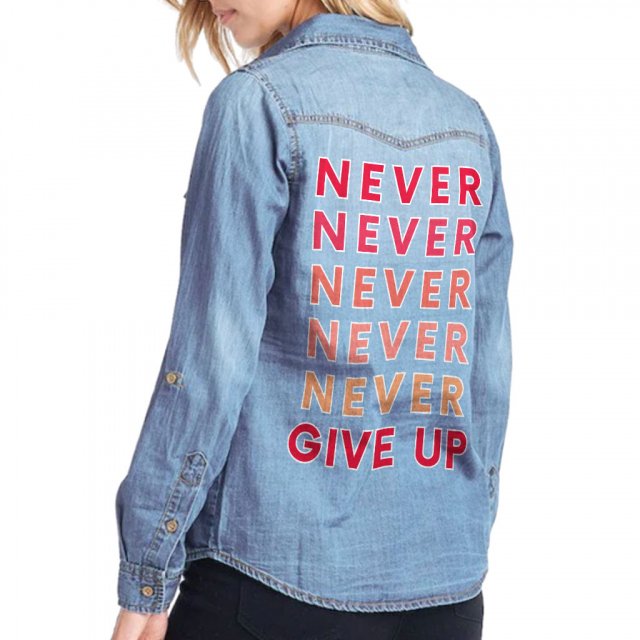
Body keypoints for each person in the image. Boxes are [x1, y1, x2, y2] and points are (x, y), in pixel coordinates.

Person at [110, 0, 514, 638]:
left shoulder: (256, 103)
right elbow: (484, 371)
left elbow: (210, 361)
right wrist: (463, 530)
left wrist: (147, 574)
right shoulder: (467, 123)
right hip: (445, 590)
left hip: (267, 579)